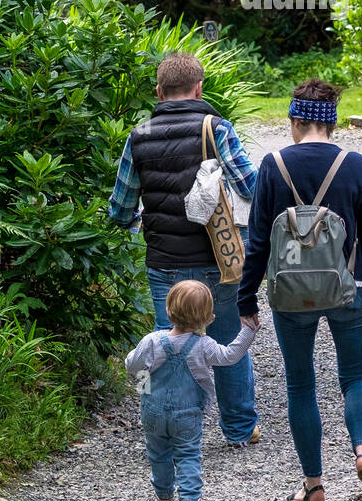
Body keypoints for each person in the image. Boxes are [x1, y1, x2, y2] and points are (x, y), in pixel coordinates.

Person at [238, 79, 362, 501]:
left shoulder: (272, 165)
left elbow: (258, 241)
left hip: (290, 294)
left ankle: (314, 485)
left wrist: (246, 299)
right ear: (330, 125)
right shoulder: (354, 164)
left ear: (295, 121)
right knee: (356, 377)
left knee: (300, 384)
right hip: (352, 288)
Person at [109, 51, 260, 447]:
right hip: (219, 258)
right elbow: (251, 187)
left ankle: (171, 428)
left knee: (167, 346)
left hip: (165, 263)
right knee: (228, 340)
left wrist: (142, 221)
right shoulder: (217, 128)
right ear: (199, 87)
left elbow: (121, 207)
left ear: (158, 91)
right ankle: (239, 429)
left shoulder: (138, 136)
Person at [126, 281, 257, 501]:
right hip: (187, 413)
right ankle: (189, 498)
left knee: (158, 453)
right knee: (188, 453)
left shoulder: (152, 341)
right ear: (208, 317)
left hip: (152, 410)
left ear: (168, 310)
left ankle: (164, 491)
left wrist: (138, 376)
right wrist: (248, 331)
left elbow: (134, 366)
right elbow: (230, 356)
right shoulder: (203, 345)